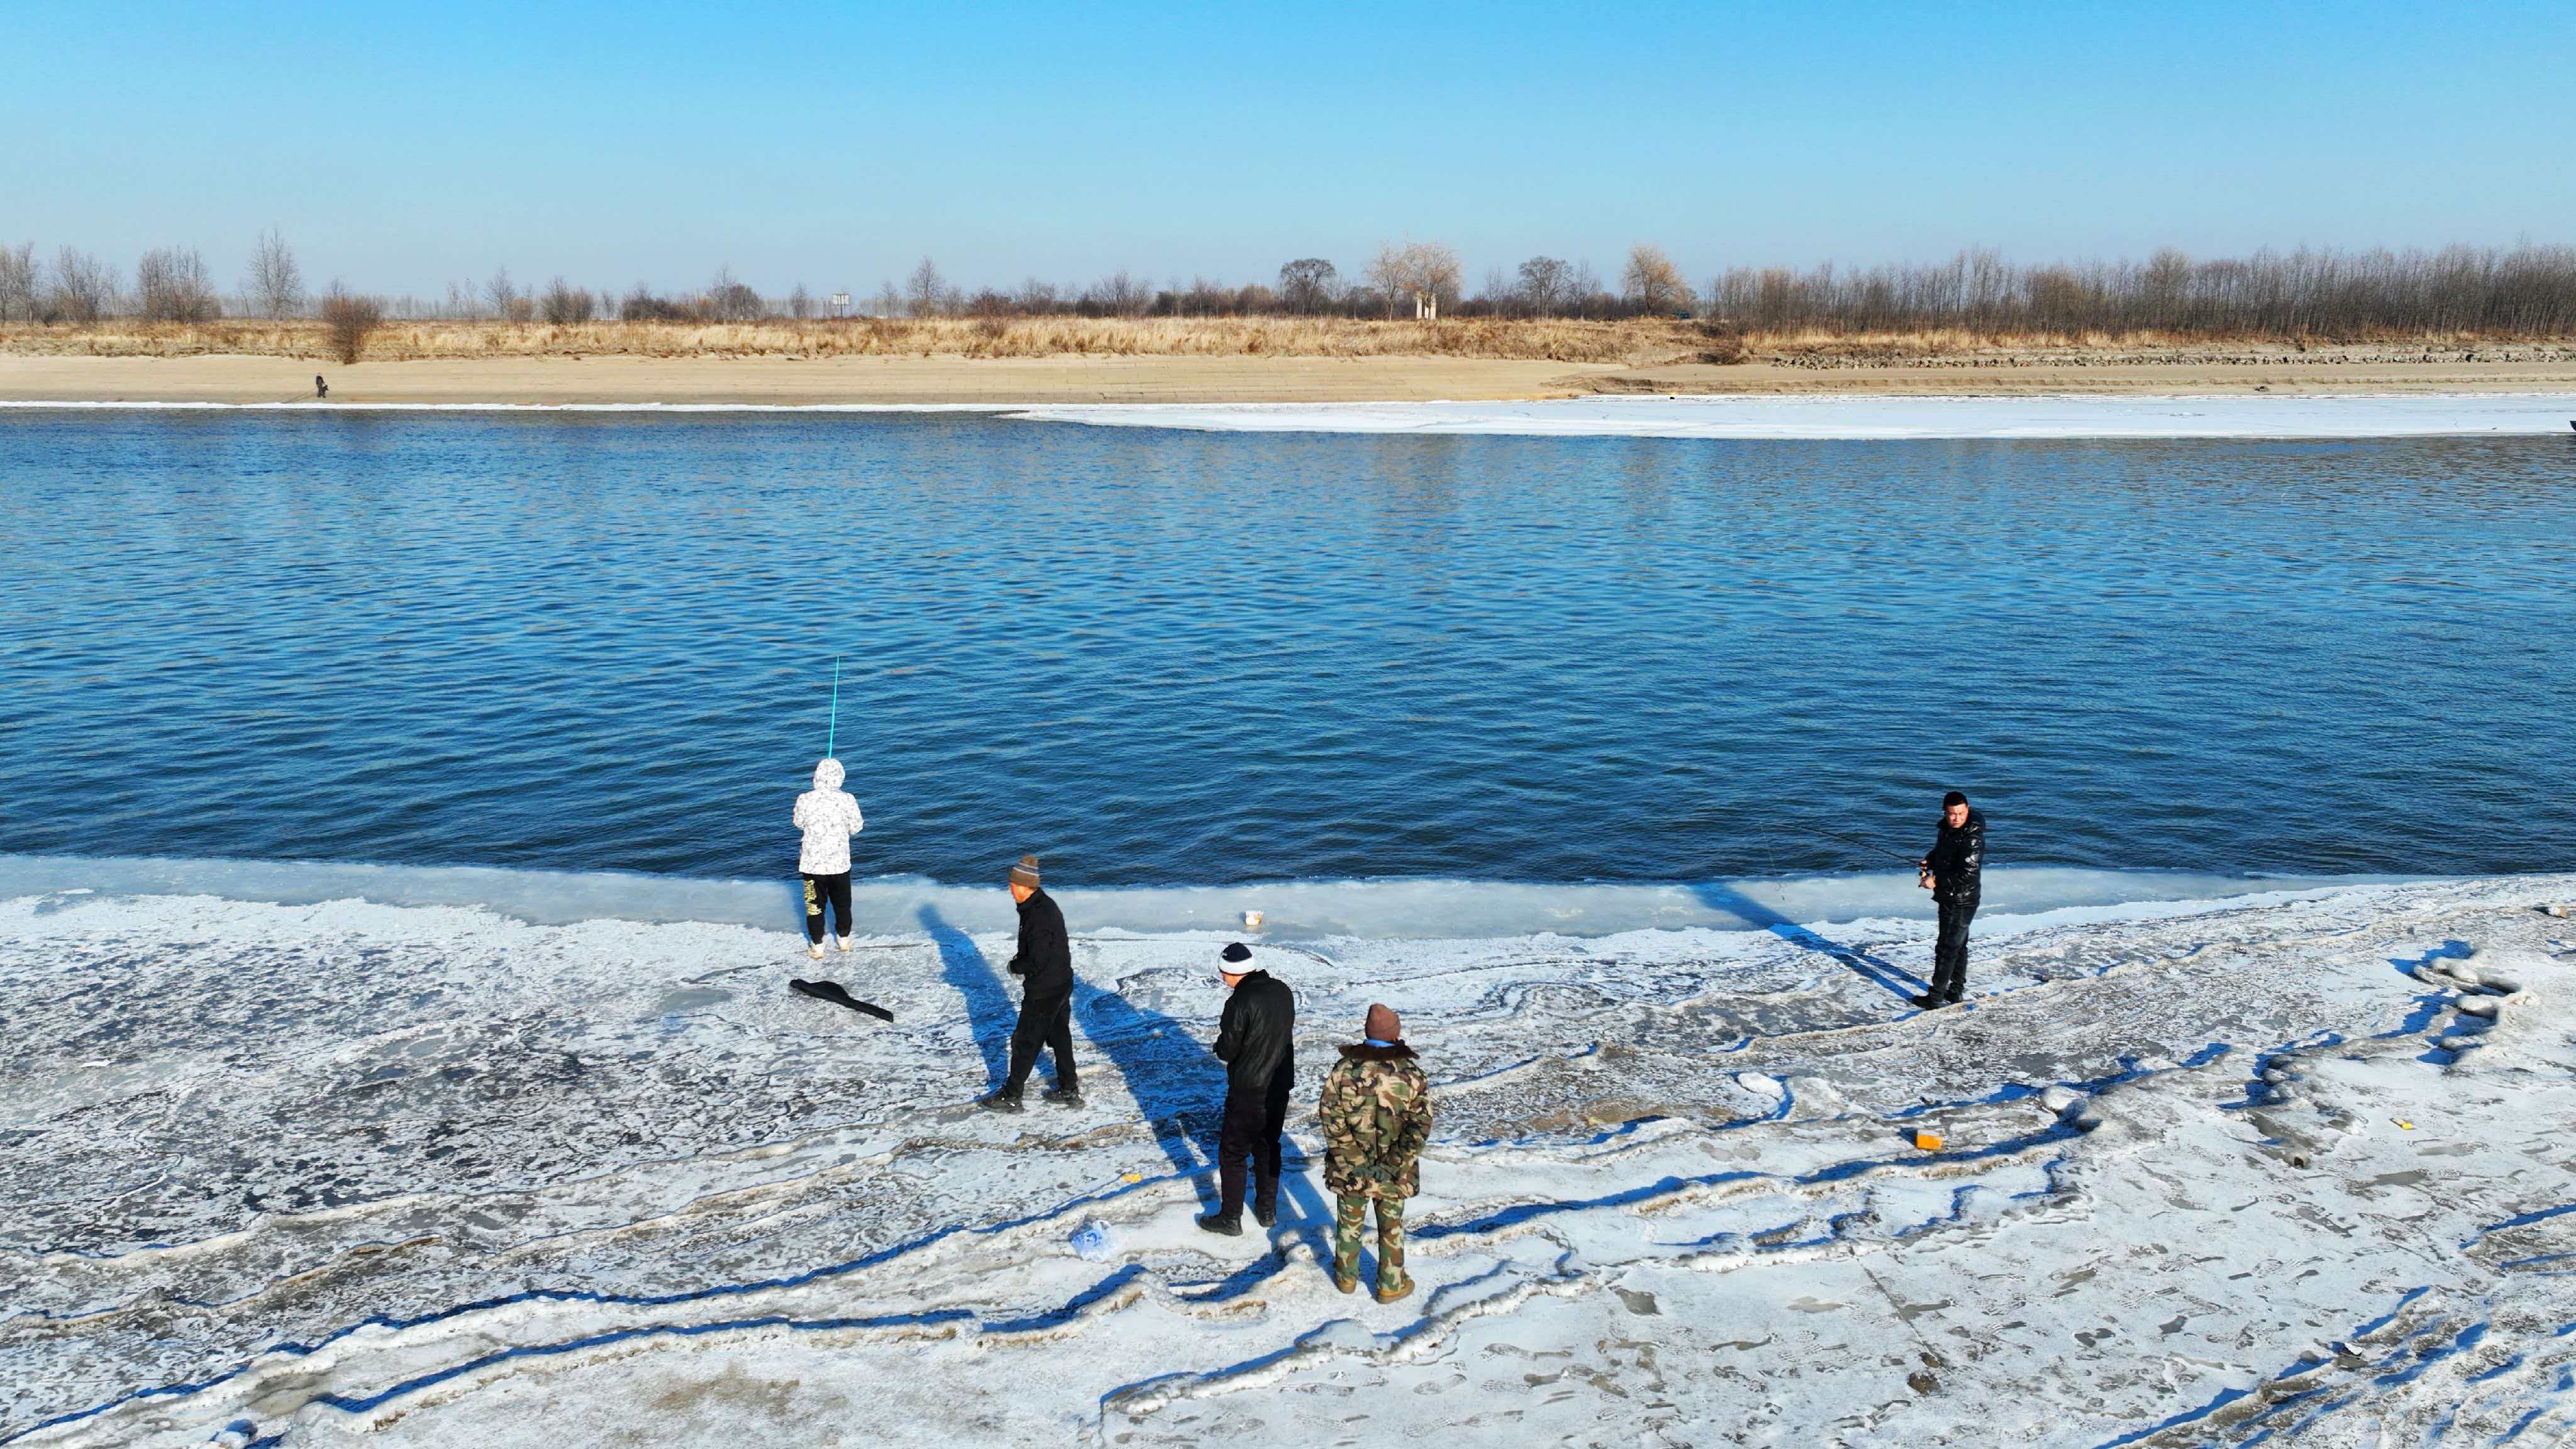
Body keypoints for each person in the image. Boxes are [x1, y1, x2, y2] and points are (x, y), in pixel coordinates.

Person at [1319, 1003, 1431, 1302]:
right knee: (1391, 1227)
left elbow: (1331, 1118)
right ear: (1395, 1034)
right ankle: (1391, 1285)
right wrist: (1394, 1164)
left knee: (1349, 1225)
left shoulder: (1343, 1070)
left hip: (1350, 1170)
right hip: (1393, 1173)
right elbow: (1419, 1127)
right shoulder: (1411, 1074)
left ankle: (1346, 1278)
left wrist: (1354, 1161)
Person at [1199, 942, 1294, 1236]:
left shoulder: (1239, 1001)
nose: (1221, 977)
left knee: (1233, 1153)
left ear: (1232, 973)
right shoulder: (1282, 990)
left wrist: (1218, 1046)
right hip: (1279, 1084)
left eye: (1222, 972)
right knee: (1268, 1146)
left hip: (1250, 1089)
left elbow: (1228, 1050)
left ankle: (1230, 1218)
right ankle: (1267, 1211)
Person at [981, 855, 1080, 1111]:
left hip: (1045, 990)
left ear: (1026, 886)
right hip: (1060, 982)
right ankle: (1069, 1089)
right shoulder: (1039, 906)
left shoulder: (1039, 915)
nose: (1010, 890)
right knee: (1059, 1036)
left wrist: (1015, 967)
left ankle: (1012, 1096)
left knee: (1025, 1041)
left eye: (1013, 885)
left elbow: (1037, 959)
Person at [1914, 790, 1985, 1009]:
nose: (1957, 818)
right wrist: (1930, 860)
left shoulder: (1972, 838)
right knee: (1958, 946)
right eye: (1952, 814)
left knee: (1947, 948)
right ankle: (1955, 992)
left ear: (1968, 810)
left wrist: (1935, 880)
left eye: (1961, 813)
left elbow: (1967, 874)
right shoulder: (1946, 829)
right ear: (1945, 812)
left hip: (1961, 901)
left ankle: (1936, 997)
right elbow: (1942, 851)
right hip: (1951, 897)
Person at [792, 758, 865, 960]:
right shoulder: (848, 799)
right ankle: (844, 940)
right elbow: (856, 827)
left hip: (811, 865)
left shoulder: (805, 799)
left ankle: (817, 946)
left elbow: (798, 823)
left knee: (814, 906)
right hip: (840, 864)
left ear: (817, 776)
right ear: (840, 777)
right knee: (842, 904)